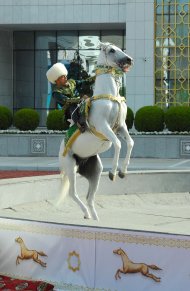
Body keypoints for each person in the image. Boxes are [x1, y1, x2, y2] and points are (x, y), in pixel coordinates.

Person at [46, 62, 87, 133]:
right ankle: (80, 126)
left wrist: (96, 77)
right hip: (69, 111)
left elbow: (83, 82)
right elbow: (67, 100)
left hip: (80, 103)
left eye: (65, 75)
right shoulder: (56, 92)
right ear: (57, 80)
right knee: (73, 108)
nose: (65, 77)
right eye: (63, 76)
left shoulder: (72, 82)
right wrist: (80, 99)